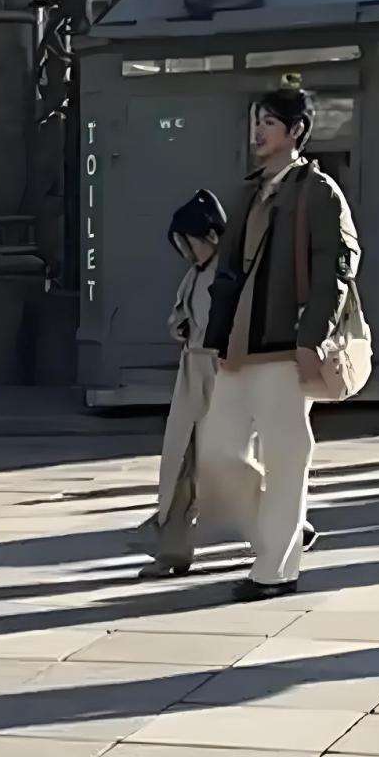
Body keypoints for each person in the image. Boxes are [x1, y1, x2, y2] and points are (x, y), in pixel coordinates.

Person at [204, 83, 358, 600]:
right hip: (239, 347)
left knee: (287, 457)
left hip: (285, 345)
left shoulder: (318, 191)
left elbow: (336, 268)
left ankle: (274, 571)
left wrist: (311, 338)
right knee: (217, 455)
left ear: (296, 131)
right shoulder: (249, 192)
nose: (257, 132)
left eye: (268, 123)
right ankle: (288, 526)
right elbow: (227, 274)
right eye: (256, 121)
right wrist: (218, 339)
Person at [138, 188, 265, 579]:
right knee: (180, 463)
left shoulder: (231, 272)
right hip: (193, 374)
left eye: (189, 242)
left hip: (226, 373)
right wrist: (181, 328)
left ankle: (280, 528)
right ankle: (172, 549)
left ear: (209, 235)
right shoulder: (195, 274)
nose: (186, 251)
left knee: (229, 462)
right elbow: (183, 317)